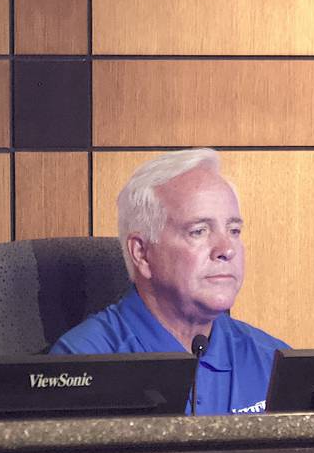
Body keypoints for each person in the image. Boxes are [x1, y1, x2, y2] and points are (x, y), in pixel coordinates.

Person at [50, 148, 288, 414]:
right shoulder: (81, 365)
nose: (226, 248)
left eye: (234, 230)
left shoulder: (274, 360)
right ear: (141, 253)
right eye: (199, 231)